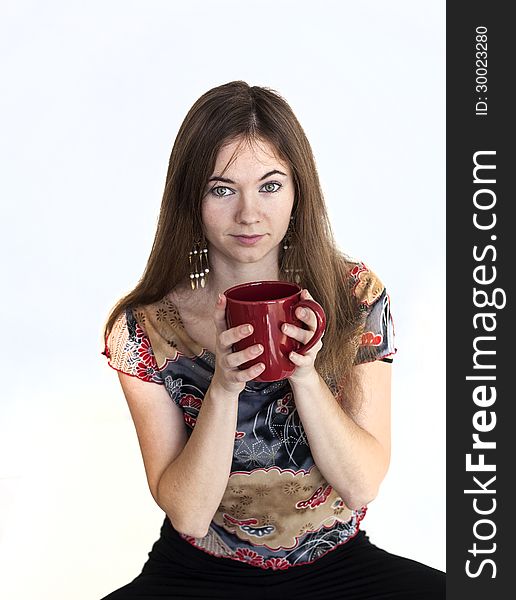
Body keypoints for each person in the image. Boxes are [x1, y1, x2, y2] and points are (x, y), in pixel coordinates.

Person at [99, 80, 445, 599]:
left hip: (339, 565)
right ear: (190, 198)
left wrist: (303, 373)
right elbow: (189, 514)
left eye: (270, 185)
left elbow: (361, 484)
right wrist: (223, 386)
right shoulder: (142, 329)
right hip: (198, 572)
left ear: (297, 190)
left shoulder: (354, 296)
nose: (249, 214)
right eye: (222, 189)